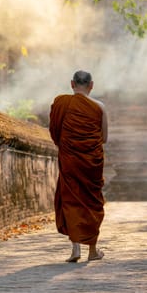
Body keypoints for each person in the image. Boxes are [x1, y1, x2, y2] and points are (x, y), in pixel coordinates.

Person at [49, 70, 108, 262]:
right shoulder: (99, 107)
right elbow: (104, 138)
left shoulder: (61, 103)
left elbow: (55, 133)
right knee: (92, 202)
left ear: (72, 84)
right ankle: (92, 250)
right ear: (91, 85)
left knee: (71, 199)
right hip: (91, 162)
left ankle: (75, 249)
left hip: (70, 160)